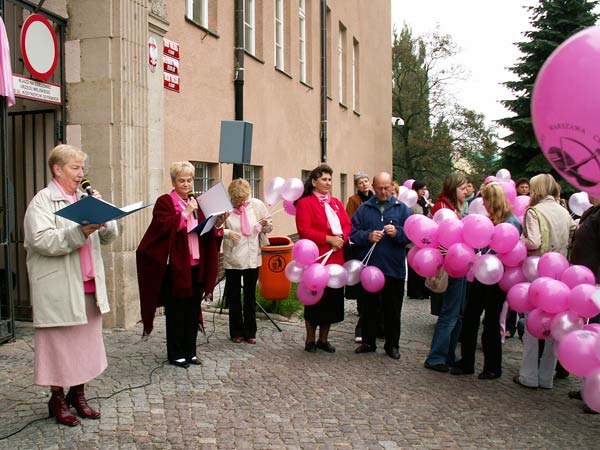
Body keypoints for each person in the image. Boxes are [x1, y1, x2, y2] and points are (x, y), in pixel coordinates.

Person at [23, 144, 119, 426]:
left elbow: (108, 238)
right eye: (75, 168)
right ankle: (57, 399)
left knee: (85, 346)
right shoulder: (41, 202)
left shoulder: (83, 198)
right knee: (59, 347)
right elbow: (41, 241)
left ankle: (79, 395)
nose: (81, 174)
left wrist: (106, 217)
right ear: (57, 169)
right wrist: (78, 231)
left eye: (82, 168)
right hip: (60, 287)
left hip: (88, 286)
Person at [136, 161, 227, 369]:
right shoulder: (165, 202)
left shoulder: (197, 202)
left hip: (196, 265)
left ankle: (190, 351)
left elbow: (207, 231)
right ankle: (176, 353)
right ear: (173, 181)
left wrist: (219, 224)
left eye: (189, 180)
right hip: (175, 267)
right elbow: (161, 227)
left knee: (193, 309)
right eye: (181, 180)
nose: (186, 184)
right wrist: (185, 213)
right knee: (177, 311)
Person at [452, 183, 522, 379]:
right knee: (471, 318)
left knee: (491, 321)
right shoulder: (492, 220)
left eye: (485, 200)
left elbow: (507, 251)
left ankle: (492, 367)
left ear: (493, 200)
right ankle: (467, 363)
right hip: (481, 275)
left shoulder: (511, 223)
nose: (482, 203)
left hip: (497, 278)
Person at [513, 173, 576, 389]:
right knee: (553, 326)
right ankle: (546, 377)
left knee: (533, 323)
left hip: (538, 270)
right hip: (561, 273)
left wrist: (519, 241)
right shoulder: (563, 210)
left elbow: (534, 241)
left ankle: (529, 375)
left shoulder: (534, 211)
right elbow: (572, 234)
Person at [351, 172, 411, 360]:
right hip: (370, 269)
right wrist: (367, 236)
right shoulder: (364, 209)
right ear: (374, 188)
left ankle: (392, 345)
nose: (384, 191)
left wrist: (398, 233)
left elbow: (411, 236)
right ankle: (368, 342)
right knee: (369, 308)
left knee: (393, 309)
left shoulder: (402, 209)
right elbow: (353, 234)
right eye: (380, 188)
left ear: (393, 187)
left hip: (394, 268)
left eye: (387, 188)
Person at [295, 164, 352, 353]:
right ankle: (310, 339)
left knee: (331, 301)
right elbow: (304, 230)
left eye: (330, 180)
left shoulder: (335, 202)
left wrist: (342, 238)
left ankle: (323, 339)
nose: (328, 183)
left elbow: (346, 224)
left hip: (336, 258)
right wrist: (328, 238)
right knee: (314, 300)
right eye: (324, 179)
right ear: (313, 182)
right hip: (317, 258)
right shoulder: (305, 203)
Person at [424, 172, 469, 372]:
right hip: (450, 268)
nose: (466, 191)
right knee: (449, 315)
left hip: (458, 267)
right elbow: (441, 241)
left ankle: (449, 354)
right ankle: (436, 357)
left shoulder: (452, 208)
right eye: (462, 188)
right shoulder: (443, 209)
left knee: (457, 314)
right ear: (452, 189)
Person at [222, 178, 272, 344]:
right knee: (234, 296)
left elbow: (269, 227)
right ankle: (236, 331)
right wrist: (228, 232)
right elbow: (216, 228)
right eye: (236, 200)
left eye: (242, 199)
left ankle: (250, 332)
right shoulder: (225, 208)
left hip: (252, 257)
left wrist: (265, 224)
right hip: (234, 257)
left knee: (250, 296)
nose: (239, 202)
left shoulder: (256, 205)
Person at [567, 194, 600, 413]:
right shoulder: (594, 211)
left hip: (597, 281)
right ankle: (589, 387)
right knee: (592, 334)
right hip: (589, 282)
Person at [345, 172, 373, 343]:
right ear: (357, 185)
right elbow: (350, 221)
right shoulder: (354, 200)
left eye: (366, 181)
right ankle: (361, 311)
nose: (364, 185)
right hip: (360, 242)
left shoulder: (374, 198)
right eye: (361, 182)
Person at [407, 180, 432, 300]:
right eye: (422, 189)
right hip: (412, 240)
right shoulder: (411, 205)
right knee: (413, 265)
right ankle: (414, 291)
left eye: (425, 189)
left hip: (424, 239)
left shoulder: (424, 203)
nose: (424, 191)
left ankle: (423, 289)